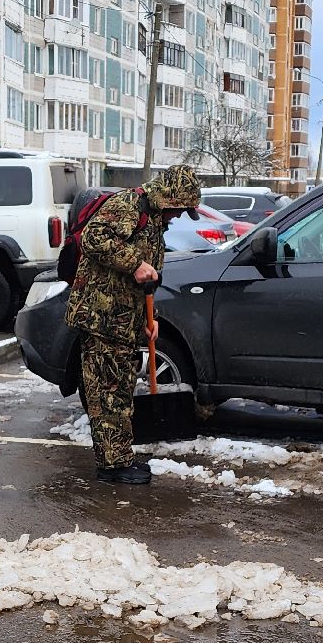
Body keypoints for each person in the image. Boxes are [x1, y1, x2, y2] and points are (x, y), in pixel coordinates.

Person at [66, 165, 202, 484]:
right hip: (100, 317)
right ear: (170, 198)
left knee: (122, 387)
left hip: (123, 317)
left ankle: (120, 457)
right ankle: (112, 466)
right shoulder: (128, 205)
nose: (180, 215)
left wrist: (148, 319)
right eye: (181, 208)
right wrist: (135, 263)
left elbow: (145, 280)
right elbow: (94, 238)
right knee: (107, 391)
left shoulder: (153, 220)